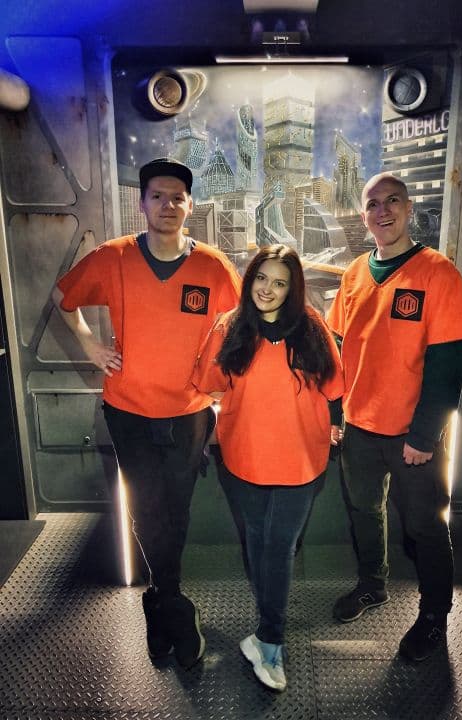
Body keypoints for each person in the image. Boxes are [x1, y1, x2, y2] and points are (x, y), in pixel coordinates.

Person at [52, 158, 241, 668]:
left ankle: (160, 600)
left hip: (189, 412)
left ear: (190, 206)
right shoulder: (113, 257)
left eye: (177, 197)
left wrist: (223, 384)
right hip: (128, 410)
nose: (167, 205)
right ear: (142, 204)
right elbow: (62, 297)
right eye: (157, 195)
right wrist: (90, 346)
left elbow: (240, 326)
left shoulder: (213, 266)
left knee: (176, 508)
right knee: (145, 507)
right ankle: (174, 605)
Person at [327, 172, 462, 662]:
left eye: (392, 201)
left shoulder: (437, 273)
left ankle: (434, 616)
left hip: (413, 435)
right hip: (359, 429)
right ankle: (373, 585)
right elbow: (339, 349)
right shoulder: (354, 273)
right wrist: (335, 413)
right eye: (373, 204)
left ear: (409, 209)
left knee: (426, 527)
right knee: (364, 512)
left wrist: (425, 435)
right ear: (363, 215)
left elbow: (449, 364)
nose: (383, 211)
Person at [193, 244, 344, 691]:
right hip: (245, 459)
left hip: (301, 461)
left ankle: (270, 641)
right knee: (258, 541)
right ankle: (264, 632)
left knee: (278, 547)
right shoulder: (229, 327)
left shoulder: (312, 326)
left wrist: (334, 424)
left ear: (292, 288)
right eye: (262, 278)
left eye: (280, 282)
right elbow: (208, 384)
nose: (268, 289)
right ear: (249, 279)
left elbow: (335, 385)